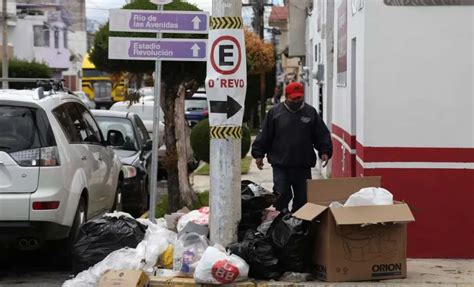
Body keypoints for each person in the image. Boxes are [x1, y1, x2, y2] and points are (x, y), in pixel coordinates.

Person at [251, 82, 333, 212]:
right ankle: (281, 221)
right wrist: (258, 154)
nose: (297, 100)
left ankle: (298, 223)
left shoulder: (310, 112)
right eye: (293, 98)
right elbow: (265, 135)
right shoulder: (275, 113)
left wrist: (324, 151)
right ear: (287, 96)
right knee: (281, 194)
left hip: (303, 165)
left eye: (299, 98)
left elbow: (321, 134)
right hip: (280, 164)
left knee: (302, 198)